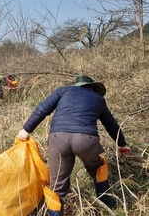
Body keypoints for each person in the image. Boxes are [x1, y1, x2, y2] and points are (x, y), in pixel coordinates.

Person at [17, 75, 131, 216]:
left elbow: (42, 109)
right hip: (86, 140)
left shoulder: (63, 91)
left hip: (58, 139)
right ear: (91, 87)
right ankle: (107, 203)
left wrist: (26, 129)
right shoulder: (98, 99)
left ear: (77, 85)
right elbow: (111, 125)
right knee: (98, 168)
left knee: (57, 185)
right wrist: (121, 144)